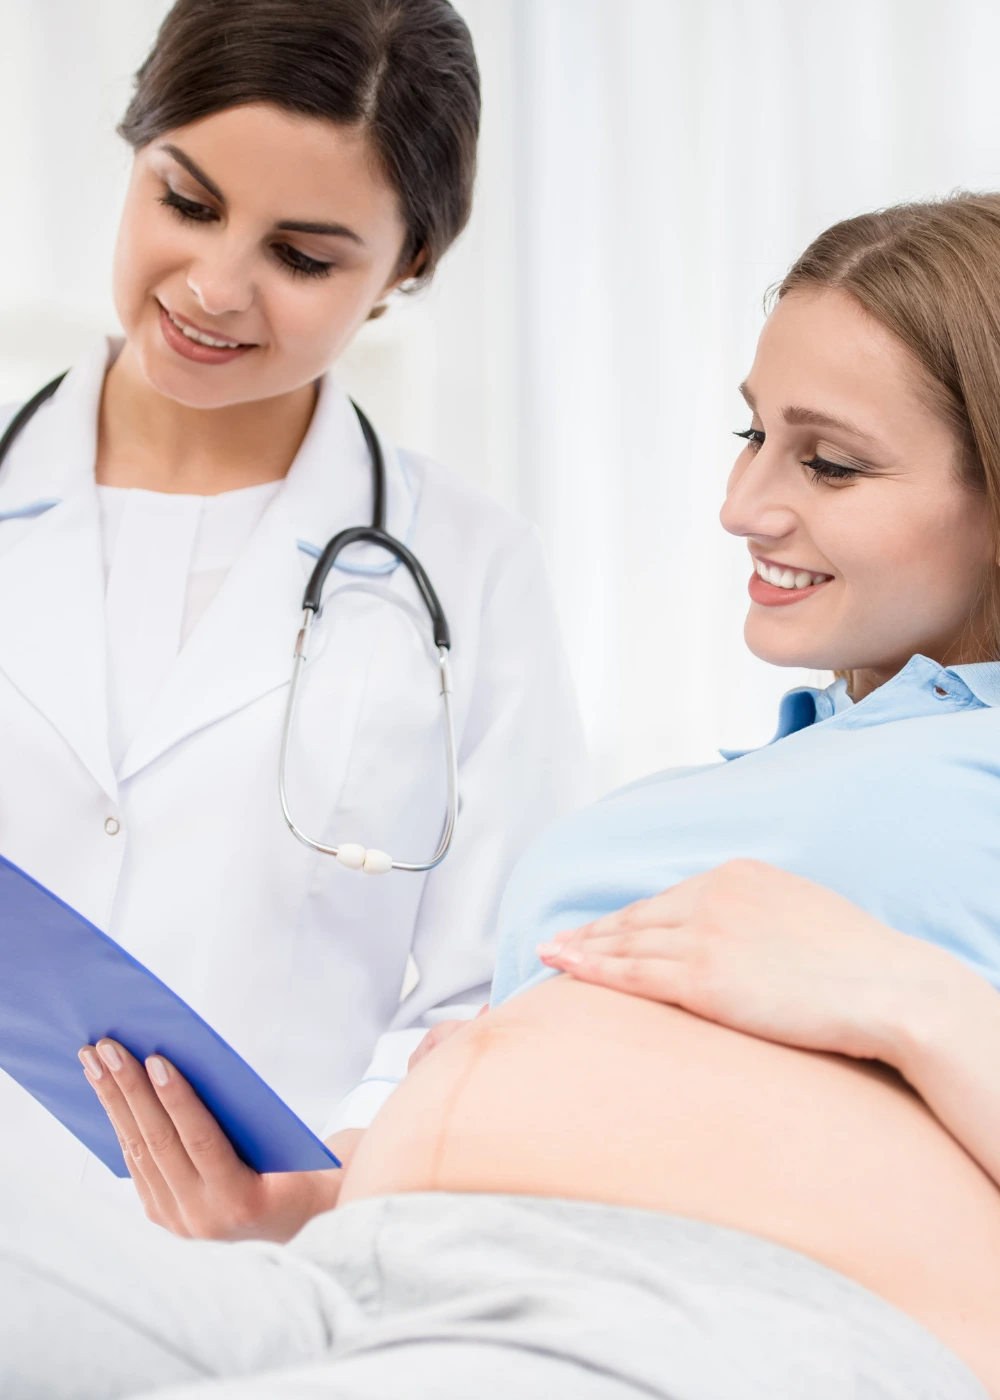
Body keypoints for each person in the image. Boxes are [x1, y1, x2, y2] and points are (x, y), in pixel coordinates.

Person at [6, 193, 1000, 1398]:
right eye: (749, 437)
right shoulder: (748, 778)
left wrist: (915, 999)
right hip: (360, 1276)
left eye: (829, 462)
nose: (741, 507)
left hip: (695, 1313)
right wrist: (315, 1192)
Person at [0, 0, 586, 1203]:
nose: (215, 288)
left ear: (407, 267)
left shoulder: (472, 568)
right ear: (135, 149)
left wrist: (314, 1197)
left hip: (280, 1283)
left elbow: (492, 995)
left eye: (302, 257)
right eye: (187, 202)